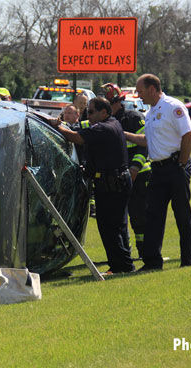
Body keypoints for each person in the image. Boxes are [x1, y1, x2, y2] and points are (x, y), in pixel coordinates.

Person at [50, 97, 135, 274]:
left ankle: (122, 267)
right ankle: (122, 265)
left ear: (103, 112)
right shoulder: (114, 123)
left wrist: (55, 126)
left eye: (90, 111)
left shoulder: (103, 128)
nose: (86, 115)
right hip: (116, 181)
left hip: (112, 184)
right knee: (115, 226)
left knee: (109, 227)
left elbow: (76, 138)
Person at [124, 74, 191, 271]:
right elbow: (148, 140)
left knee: (182, 214)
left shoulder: (173, 106)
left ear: (152, 89)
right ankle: (152, 262)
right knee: (153, 216)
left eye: (140, 91)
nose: (138, 96)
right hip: (158, 169)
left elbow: (188, 136)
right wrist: (124, 135)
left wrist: (181, 165)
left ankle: (187, 260)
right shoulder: (152, 111)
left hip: (175, 166)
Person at [103, 83, 151, 258]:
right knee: (117, 219)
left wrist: (135, 168)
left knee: (139, 217)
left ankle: (146, 253)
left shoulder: (133, 118)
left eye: (110, 103)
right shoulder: (104, 121)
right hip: (116, 177)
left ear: (118, 101)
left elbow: (145, 145)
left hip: (139, 175)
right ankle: (125, 254)